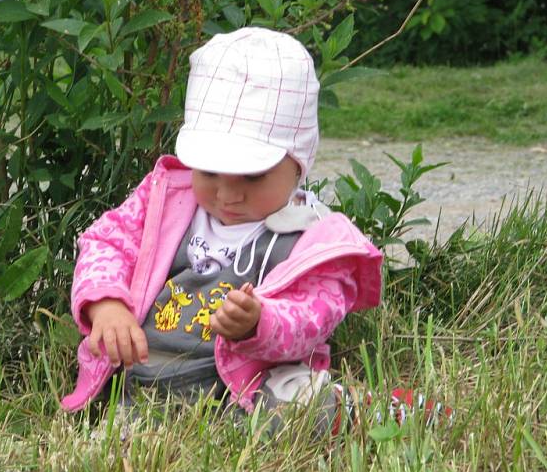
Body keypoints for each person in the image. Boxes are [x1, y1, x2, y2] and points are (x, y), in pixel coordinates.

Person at [61, 27, 452, 435]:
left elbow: (312, 319)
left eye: (251, 176)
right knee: (122, 437)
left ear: (297, 165)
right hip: (147, 380)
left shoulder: (314, 237)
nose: (228, 193)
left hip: (249, 386)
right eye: (209, 170)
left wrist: (258, 323)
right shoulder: (165, 199)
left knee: (297, 410)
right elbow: (105, 242)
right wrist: (106, 304)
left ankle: (366, 412)